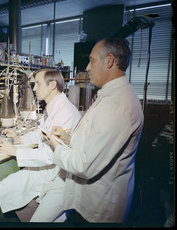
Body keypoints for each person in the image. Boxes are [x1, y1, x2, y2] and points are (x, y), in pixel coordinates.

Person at [46, 37, 144, 223]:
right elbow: (95, 138)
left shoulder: (117, 105)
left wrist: (55, 146)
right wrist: (68, 138)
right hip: (91, 202)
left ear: (109, 61)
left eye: (91, 60)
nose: (88, 67)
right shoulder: (110, 95)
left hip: (100, 209)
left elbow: (85, 166)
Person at [0, 68, 82, 222]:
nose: (34, 89)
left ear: (52, 85)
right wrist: (20, 140)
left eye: (38, 84)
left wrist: (15, 151)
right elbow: (40, 133)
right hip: (49, 173)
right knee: (9, 185)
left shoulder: (66, 112)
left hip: (61, 181)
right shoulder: (53, 106)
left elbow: (52, 155)